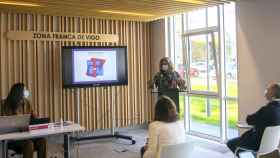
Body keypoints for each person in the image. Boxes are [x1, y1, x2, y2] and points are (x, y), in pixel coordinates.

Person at [227, 83, 280, 155]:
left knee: (230, 143)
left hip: (256, 143)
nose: (266, 91)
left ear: (273, 96)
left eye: (268, 90)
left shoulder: (266, 110)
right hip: (272, 145)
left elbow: (249, 120)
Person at [0, 83, 47, 158]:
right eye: (25, 90)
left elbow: (35, 118)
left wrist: (38, 120)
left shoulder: (27, 102)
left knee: (42, 141)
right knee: (29, 144)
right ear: (18, 92)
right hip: (13, 139)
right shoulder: (4, 104)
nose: (26, 92)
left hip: (27, 135)